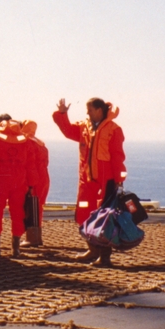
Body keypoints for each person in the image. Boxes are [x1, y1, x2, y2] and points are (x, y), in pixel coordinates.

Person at [53, 97, 125, 266]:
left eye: (90, 110)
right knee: (84, 213)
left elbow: (118, 156)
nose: (87, 113)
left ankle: (105, 257)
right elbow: (68, 131)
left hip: (106, 181)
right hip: (87, 180)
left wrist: (119, 179)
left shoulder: (114, 129)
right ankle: (92, 250)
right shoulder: (84, 126)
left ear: (99, 110)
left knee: (105, 217)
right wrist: (62, 114)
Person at [0, 113, 38, 257]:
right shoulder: (26, 140)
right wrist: (32, 184)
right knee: (18, 213)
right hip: (20, 182)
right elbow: (31, 165)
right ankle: (16, 249)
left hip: (0, 180)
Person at [20, 120, 49, 248]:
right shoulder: (40, 143)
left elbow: (27, 163)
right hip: (44, 177)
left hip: (34, 178)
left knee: (32, 207)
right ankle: (35, 237)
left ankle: (33, 239)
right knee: (38, 207)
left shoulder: (26, 142)